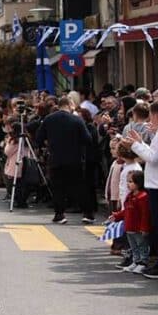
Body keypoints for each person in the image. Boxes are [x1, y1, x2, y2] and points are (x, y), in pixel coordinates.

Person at [121, 101, 158, 280]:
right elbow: (154, 156)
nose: (149, 121)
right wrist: (140, 143)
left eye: (151, 117)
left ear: (155, 115)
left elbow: (153, 159)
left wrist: (136, 146)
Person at [35, 96, 93, 224]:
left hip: (55, 158)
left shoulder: (48, 119)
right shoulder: (77, 120)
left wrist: (49, 144)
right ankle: (87, 213)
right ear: (70, 104)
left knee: (58, 187)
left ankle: (60, 214)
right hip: (75, 158)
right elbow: (87, 139)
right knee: (79, 186)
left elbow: (38, 138)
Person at [111, 170, 150, 273]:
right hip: (129, 227)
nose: (128, 184)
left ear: (139, 182)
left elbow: (145, 215)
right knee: (133, 246)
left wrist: (144, 228)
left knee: (141, 245)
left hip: (138, 229)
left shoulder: (143, 197)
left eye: (131, 181)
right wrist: (117, 216)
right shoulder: (130, 196)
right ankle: (136, 261)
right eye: (127, 181)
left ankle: (143, 262)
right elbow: (126, 211)